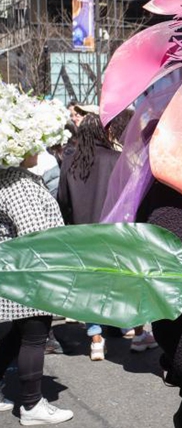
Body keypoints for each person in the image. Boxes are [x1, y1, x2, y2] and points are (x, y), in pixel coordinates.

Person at [57, 111, 156, 361]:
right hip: (114, 234)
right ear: (105, 132)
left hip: (81, 232)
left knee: (90, 285)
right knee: (126, 283)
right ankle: (138, 333)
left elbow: (63, 200)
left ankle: (96, 338)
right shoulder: (116, 160)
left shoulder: (70, 163)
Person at [0, 154, 74, 425]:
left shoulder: (8, 180)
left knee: (13, 336)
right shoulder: (19, 182)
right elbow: (37, 237)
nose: (39, 152)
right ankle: (32, 405)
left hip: (15, 273)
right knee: (33, 337)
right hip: (31, 275)